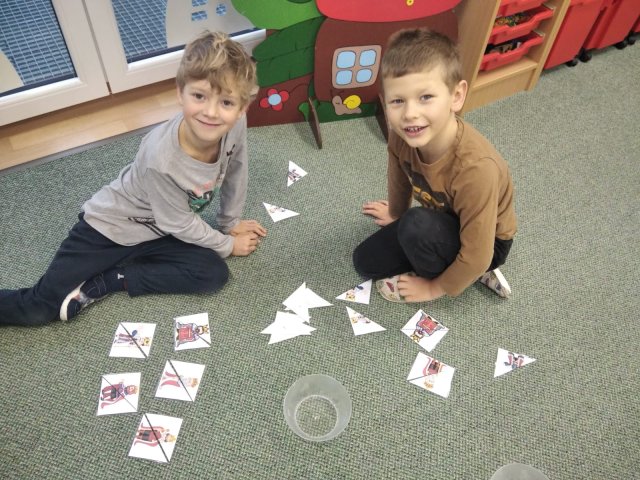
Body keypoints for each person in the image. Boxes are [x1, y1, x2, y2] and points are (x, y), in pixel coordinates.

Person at [0, 31, 267, 326]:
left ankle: (110, 279)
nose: (211, 112)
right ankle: (112, 264)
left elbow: (236, 166)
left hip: (160, 231)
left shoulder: (236, 124)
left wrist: (230, 221)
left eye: (226, 102)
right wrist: (228, 244)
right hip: (109, 229)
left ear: (242, 108)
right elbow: (179, 223)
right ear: (180, 93)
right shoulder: (160, 158)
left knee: (212, 273)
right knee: (38, 308)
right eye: (199, 96)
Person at [353, 28, 517, 303]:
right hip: (440, 219)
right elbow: (399, 178)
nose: (410, 114)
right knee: (365, 262)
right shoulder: (402, 135)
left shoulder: (476, 169)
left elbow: (478, 254)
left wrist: (433, 288)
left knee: (417, 226)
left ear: (456, 96)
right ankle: (452, 264)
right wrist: (395, 213)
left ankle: (472, 275)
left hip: (488, 244)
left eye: (425, 97)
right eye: (397, 101)